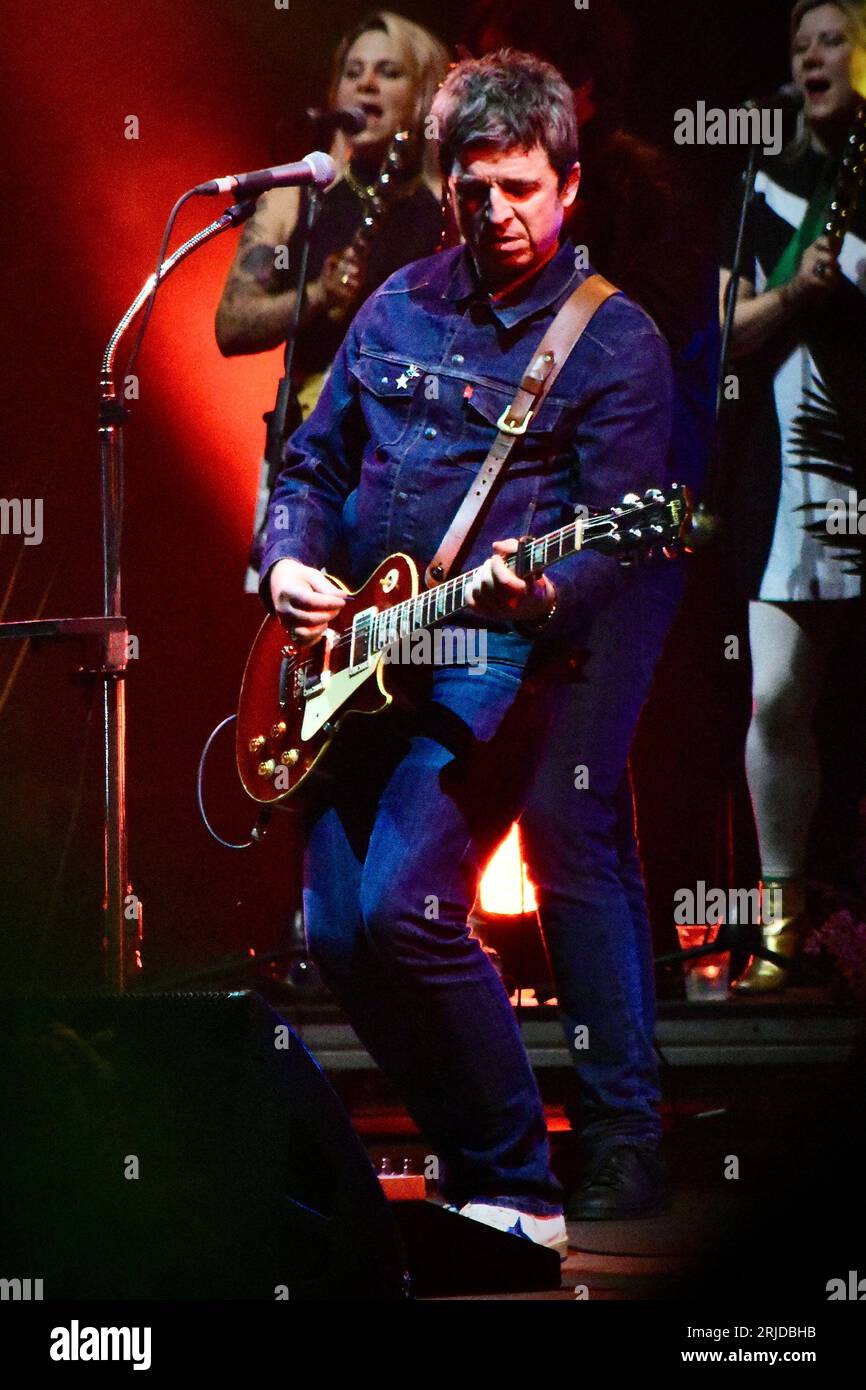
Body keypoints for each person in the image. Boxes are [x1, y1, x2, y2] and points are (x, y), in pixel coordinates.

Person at [258, 49, 675, 1254]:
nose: (496, 212)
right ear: (445, 187)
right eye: (475, 188)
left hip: (493, 667)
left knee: (406, 909)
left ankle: (521, 1185)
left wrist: (547, 588)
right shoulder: (394, 305)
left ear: (569, 187)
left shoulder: (613, 344)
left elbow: (619, 540)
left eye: (522, 190)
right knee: (334, 932)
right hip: (355, 660)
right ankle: (464, 1174)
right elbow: (312, 461)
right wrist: (289, 555)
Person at [462, 0, 719, 1219]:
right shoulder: (467, 215)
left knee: (570, 824)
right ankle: (500, 1140)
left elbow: (659, 399)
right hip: (492, 563)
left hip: (617, 542)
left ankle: (621, 1133)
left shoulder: (639, 200)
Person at [718, 0, 866, 992]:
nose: (812, 58)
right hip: (788, 471)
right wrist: (796, 292)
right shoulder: (759, 183)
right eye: (799, 44)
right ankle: (779, 920)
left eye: (834, 39)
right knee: (774, 695)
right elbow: (725, 330)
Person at [215, 11, 449, 588]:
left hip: (404, 464)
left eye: (388, 72)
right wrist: (321, 294)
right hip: (305, 458)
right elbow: (231, 324)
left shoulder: (450, 206)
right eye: (353, 71)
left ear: (421, 92)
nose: (365, 85)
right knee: (285, 638)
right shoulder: (296, 198)